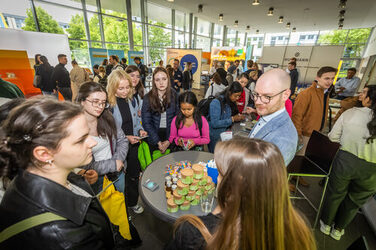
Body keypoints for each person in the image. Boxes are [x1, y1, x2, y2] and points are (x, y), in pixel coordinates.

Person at [0, 97, 116, 249]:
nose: (92, 143)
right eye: (81, 140)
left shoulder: (29, 177)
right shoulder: (63, 236)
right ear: (44, 154)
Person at [166, 138, 316, 250]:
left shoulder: (193, 231)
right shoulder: (298, 234)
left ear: (233, 186)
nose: (216, 179)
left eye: (219, 173)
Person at [319, 85, 376, 241]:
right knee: (355, 200)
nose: (359, 95)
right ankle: (339, 229)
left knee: (335, 193)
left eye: (364, 93)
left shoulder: (351, 114)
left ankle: (326, 224)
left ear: (371, 98)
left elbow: (332, 137)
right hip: (372, 169)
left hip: (346, 159)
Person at [76, 82, 128, 195]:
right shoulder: (75, 129)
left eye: (103, 103)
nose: (100, 106)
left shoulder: (107, 117)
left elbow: (122, 140)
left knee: (120, 201)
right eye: (95, 102)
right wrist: (112, 164)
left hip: (117, 173)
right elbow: (82, 165)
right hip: (96, 179)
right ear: (82, 101)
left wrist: (118, 160)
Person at [107, 69, 147, 214]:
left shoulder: (131, 100)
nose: (125, 91)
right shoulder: (108, 106)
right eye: (121, 88)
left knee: (134, 176)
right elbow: (110, 133)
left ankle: (132, 203)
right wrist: (126, 138)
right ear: (112, 87)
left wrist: (140, 130)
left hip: (134, 145)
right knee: (120, 182)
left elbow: (135, 122)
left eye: (127, 87)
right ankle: (121, 209)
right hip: (118, 149)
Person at [248, 69, 298, 166]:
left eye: (267, 96)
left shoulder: (284, 138)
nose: (257, 101)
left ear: (285, 95)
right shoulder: (267, 114)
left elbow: (263, 178)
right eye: (256, 94)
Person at [292, 66, 337, 156]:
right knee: (299, 159)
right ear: (317, 78)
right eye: (326, 78)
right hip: (305, 135)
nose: (330, 81)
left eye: (332, 78)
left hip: (317, 135)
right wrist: (298, 135)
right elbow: (296, 116)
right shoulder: (306, 94)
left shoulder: (325, 93)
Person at [141, 67, 178, 154]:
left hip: (171, 134)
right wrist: (157, 142)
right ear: (153, 81)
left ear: (168, 80)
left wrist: (169, 140)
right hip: (153, 134)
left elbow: (177, 119)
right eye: (157, 80)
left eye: (164, 79)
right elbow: (146, 122)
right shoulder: (148, 98)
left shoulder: (174, 95)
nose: (161, 83)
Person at [208, 81, 245, 153]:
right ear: (229, 93)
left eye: (239, 96)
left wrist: (238, 117)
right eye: (235, 96)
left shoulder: (231, 101)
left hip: (225, 136)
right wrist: (232, 119)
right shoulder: (216, 102)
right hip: (216, 137)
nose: (237, 98)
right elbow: (215, 123)